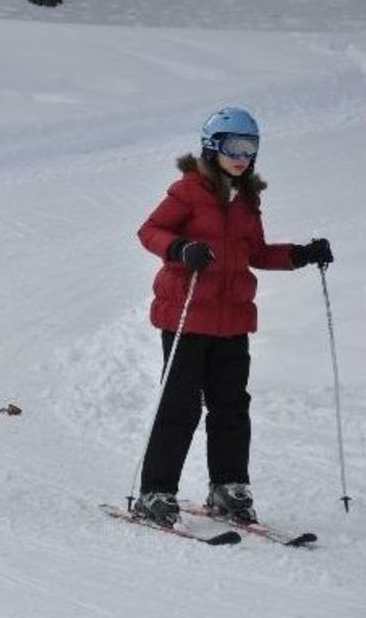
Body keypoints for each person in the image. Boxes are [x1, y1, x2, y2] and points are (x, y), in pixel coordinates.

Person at [133, 107, 333, 526]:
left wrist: (301, 255)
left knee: (231, 406)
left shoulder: (246, 199)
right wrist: (181, 249)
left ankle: (228, 487)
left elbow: (255, 253)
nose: (242, 157)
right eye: (233, 147)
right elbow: (150, 231)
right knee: (181, 406)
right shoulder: (187, 192)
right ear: (213, 148)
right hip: (186, 318)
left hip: (232, 322)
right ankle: (156, 491)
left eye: (250, 148)